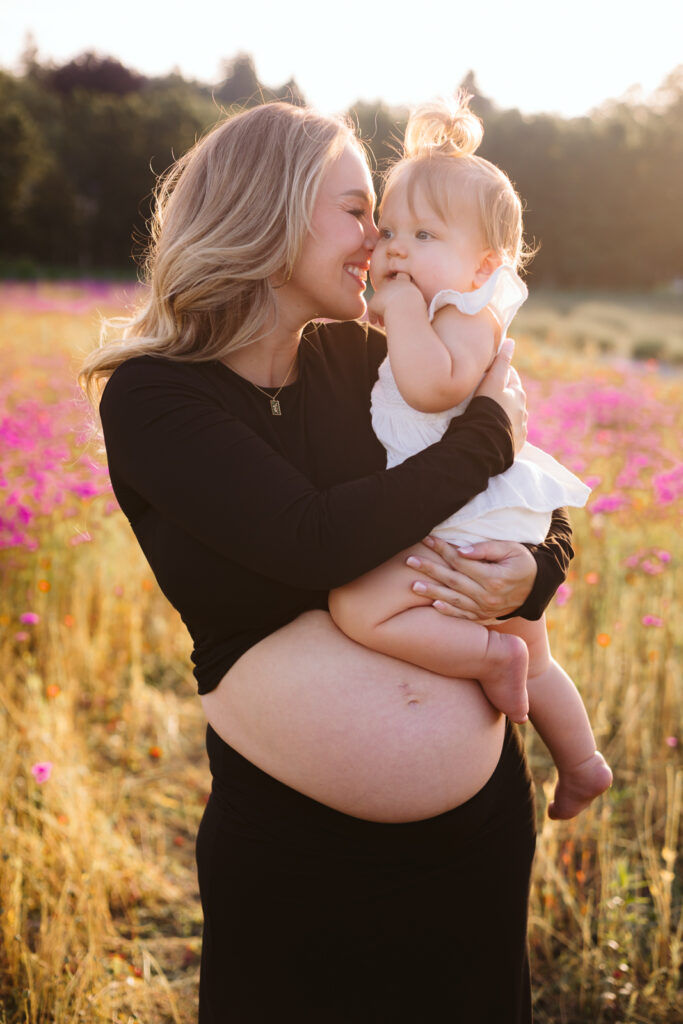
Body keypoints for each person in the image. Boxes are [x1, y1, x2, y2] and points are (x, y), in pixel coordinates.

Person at [81, 101, 574, 1022]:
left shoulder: (364, 360)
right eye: (357, 212)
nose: (378, 239)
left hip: (474, 836)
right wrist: (488, 431)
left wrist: (535, 571)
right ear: (270, 214)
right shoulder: (156, 398)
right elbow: (312, 538)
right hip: (294, 852)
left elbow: (512, 497)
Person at [329, 94, 612, 821]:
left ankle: (490, 660)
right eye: (388, 230)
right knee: (540, 655)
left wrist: (393, 310)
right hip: (479, 507)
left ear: (484, 262)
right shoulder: (435, 304)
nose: (394, 249)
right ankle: (581, 764)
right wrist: (388, 303)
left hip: (461, 511)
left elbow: (433, 389)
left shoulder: (463, 312)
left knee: (357, 607)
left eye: (422, 235)